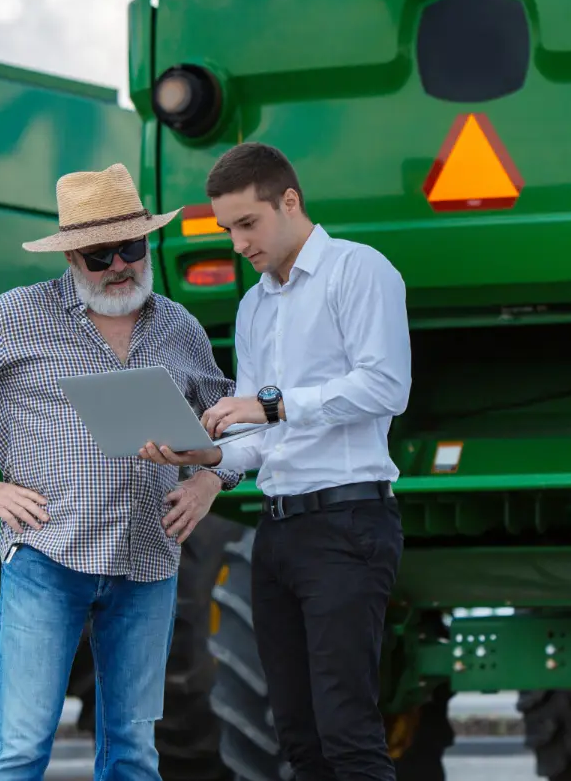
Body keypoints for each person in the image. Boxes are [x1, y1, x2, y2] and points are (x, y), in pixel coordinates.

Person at [0, 162, 242, 781]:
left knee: (134, 757)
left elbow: (227, 418)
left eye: (130, 248)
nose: (118, 266)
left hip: (149, 563)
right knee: (21, 751)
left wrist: (211, 481)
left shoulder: (180, 327)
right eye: (99, 255)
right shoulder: (16, 318)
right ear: (72, 257)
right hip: (48, 557)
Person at [140, 142, 412, 781]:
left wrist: (270, 405)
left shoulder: (360, 271)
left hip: (348, 525)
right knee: (297, 736)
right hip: (279, 532)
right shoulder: (256, 304)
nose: (237, 244)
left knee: (348, 731)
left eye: (247, 224)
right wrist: (208, 463)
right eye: (226, 229)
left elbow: (385, 386)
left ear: (289, 201)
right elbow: (259, 437)